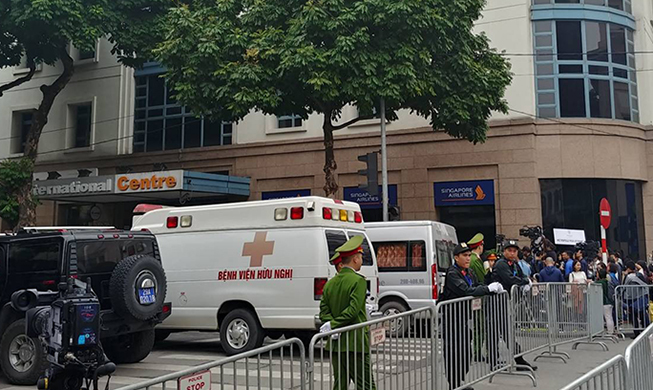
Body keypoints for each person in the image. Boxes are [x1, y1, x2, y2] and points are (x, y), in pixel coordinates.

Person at [440, 242, 504, 390]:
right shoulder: (452, 273)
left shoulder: (468, 272)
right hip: (451, 320)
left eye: (469, 255)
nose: (468, 258)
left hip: (464, 319)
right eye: (464, 255)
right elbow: (466, 290)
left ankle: (459, 382)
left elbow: (477, 285)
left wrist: (490, 280)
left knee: (466, 354)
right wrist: (487, 289)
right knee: (453, 355)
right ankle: (454, 385)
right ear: (456, 258)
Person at [319, 236, 376, 390]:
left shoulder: (330, 284)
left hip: (337, 344)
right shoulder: (358, 281)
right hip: (355, 342)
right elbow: (353, 310)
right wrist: (335, 324)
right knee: (366, 385)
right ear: (355, 259)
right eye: (360, 257)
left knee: (340, 385)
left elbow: (323, 312)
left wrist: (332, 325)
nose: (361, 260)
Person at [491, 239, 537, 371]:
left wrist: (525, 281)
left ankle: (518, 358)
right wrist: (524, 281)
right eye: (509, 250)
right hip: (496, 302)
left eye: (514, 251)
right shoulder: (501, 264)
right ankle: (495, 361)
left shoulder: (514, 264)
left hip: (507, 302)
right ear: (504, 251)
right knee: (495, 332)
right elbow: (510, 279)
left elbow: (522, 276)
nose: (512, 253)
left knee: (507, 332)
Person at [623, 261, 650, 338]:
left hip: (631, 298)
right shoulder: (639, 275)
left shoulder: (628, 277)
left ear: (628, 268)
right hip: (640, 297)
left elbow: (624, 286)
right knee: (643, 315)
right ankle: (647, 330)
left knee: (633, 317)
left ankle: (637, 333)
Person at [597, 269, 616, 335]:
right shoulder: (608, 282)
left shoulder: (600, 283)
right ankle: (611, 330)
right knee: (609, 317)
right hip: (610, 301)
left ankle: (609, 331)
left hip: (604, 302)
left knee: (607, 317)